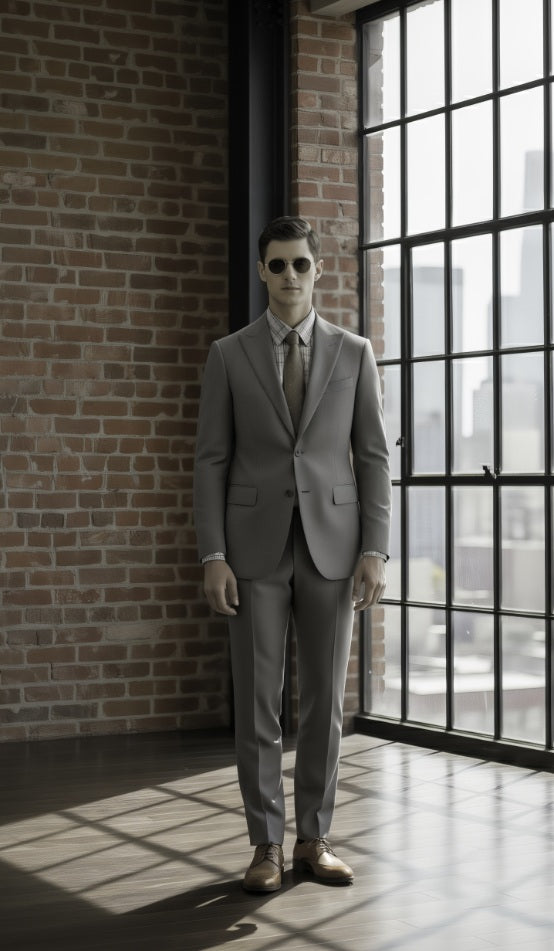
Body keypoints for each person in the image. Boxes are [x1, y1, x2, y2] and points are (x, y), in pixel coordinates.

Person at [193, 216, 391, 892]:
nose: (288, 278)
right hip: (253, 552)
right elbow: (211, 460)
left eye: (299, 265)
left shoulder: (354, 352)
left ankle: (315, 836)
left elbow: (373, 456)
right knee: (257, 704)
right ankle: (264, 845)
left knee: (323, 706)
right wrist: (212, 553)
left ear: (316, 269)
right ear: (262, 271)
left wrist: (375, 547)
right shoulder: (229, 354)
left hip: (334, 549)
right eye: (276, 265)